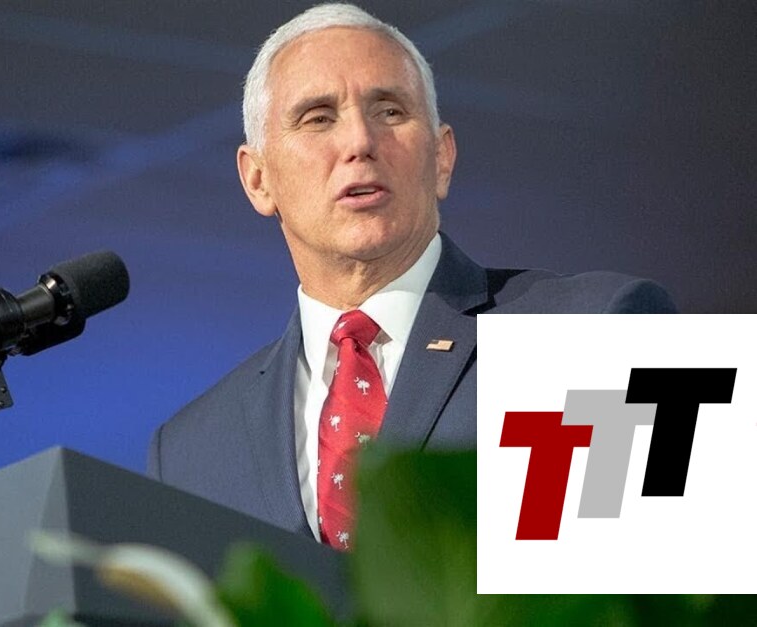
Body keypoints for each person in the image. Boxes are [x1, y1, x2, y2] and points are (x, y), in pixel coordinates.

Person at [146, 3, 675, 548]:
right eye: (318, 118)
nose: (359, 142)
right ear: (258, 180)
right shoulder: (188, 452)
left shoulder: (599, 329)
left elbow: (683, 583)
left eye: (390, 111)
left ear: (442, 158)